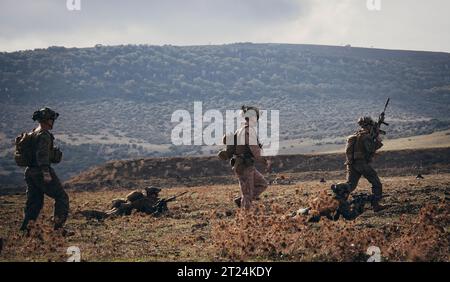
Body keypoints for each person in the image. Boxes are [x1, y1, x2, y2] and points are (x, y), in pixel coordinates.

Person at [20, 107, 71, 235]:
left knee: (34, 202)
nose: (53, 122)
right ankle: (58, 229)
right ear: (47, 120)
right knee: (61, 197)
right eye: (51, 119)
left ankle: (26, 230)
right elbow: (42, 154)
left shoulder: (33, 133)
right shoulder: (44, 135)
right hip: (40, 171)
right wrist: (46, 172)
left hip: (30, 172)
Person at [333, 116, 385, 212]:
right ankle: (376, 205)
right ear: (369, 125)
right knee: (376, 183)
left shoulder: (355, 135)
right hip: (362, 164)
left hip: (352, 164)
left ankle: (338, 199)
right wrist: (378, 141)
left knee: (350, 185)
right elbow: (371, 148)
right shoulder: (365, 136)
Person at [232, 106, 268, 210]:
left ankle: (241, 201)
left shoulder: (241, 130)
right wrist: (264, 161)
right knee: (247, 193)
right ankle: (245, 219)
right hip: (244, 166)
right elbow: (255, 149)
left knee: (262, 184)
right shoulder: (248, 131)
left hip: (247, 165)